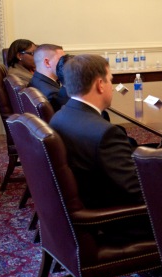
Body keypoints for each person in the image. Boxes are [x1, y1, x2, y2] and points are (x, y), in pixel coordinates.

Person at [49, 55, 146, 217]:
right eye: (110, 80)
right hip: (115, 217)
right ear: (100, 85)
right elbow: (136, 191)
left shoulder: (59, 117)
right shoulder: (105, 134)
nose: (112, 87)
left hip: (89, 199)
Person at [29, 44, 68, 112]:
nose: (65, 63)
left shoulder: (35, 80)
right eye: (61, 59)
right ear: (47, 63)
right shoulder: (53, 95)